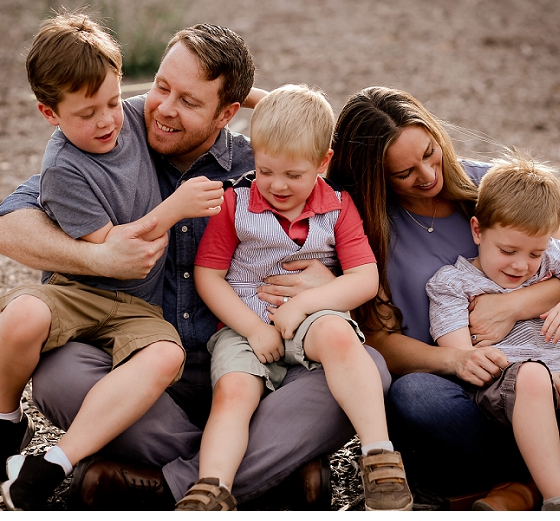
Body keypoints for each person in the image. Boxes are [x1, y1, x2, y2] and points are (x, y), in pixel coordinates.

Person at [0, 25, 390, 509]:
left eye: (190, 102)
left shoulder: (260, 165)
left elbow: (322, 155)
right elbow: (4, 227)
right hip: (139, 362)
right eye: (160, 87)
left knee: (367, 370)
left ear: (228, 113)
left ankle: (162, 484)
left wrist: (324, 285)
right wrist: (98, 255)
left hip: (247, 358)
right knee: (60, 377)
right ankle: (261, 473)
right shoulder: (113, 130)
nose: (165, 109)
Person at [322, 86, 560, 509]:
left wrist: (510, 306)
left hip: (549, 379)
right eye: (404, 173)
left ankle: (523, 490)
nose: (428, 175)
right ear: (375, 175)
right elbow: (375, 340)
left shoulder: (487, 184)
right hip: (466, 393)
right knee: (414, 399)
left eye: (429, 153)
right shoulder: (366, 226)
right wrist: (456, 360)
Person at [0, 11, 228, 511]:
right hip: (81, 292)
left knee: (166, 355)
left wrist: (266, 102)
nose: (109, 120)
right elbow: (120, 251)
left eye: (113, 101)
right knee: (21, 316)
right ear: (50, 114)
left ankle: (55, 463)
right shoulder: (64, 170)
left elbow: (152, 98)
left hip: (136, 310)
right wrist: (174, 208)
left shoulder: (130, 116)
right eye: (88, 112)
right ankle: (6, 419)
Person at [174, 85, 411, 511]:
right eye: (265, 171)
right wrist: (252, 328)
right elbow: (209, 277)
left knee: (340, 337)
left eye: (293, 175)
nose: (276, 185)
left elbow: (364, 279)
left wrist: (303, 305)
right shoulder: (236, 203)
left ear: (323, 163)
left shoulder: (338, 207)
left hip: (312, 320)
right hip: (246, 327)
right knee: (233, 391)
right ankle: (211, 489)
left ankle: (379, 458)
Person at [426, 155, 560, 511]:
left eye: (535, 253)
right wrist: (540, 375)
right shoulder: (452, 284)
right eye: (508, 250)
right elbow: (467, 358)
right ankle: (559, 501)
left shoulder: (550, 259)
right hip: (502, 390)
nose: (521, 265)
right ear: (477, 230)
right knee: (530, 377)